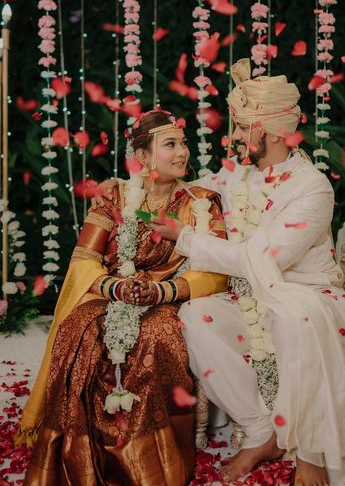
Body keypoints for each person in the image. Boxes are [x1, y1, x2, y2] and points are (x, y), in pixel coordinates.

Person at [149, 59, 345, 486]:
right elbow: (190, 189)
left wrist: (185, 238)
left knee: (299, 318)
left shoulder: (312, 186)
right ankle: (262, 430)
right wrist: (133, 183)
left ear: (272, 132)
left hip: (309, 296)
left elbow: (262, 257)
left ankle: (311, 452)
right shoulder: (237, 174)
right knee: (195, 315)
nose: (234, 137)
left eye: (241, 128)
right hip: (251, 298)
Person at [16, 110, 228, 486]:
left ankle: (147, 463)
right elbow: (84, 258)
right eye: (171, 145)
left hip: (168, 299)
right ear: (142, 157)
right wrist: (114, 287)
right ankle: (83, 456)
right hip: (113, 291)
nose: (183, 152)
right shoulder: (113, 195)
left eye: (183, 143)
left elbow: (215, 270)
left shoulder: (202, 202)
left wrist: (159, 290)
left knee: (155, 339)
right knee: (79, 330)